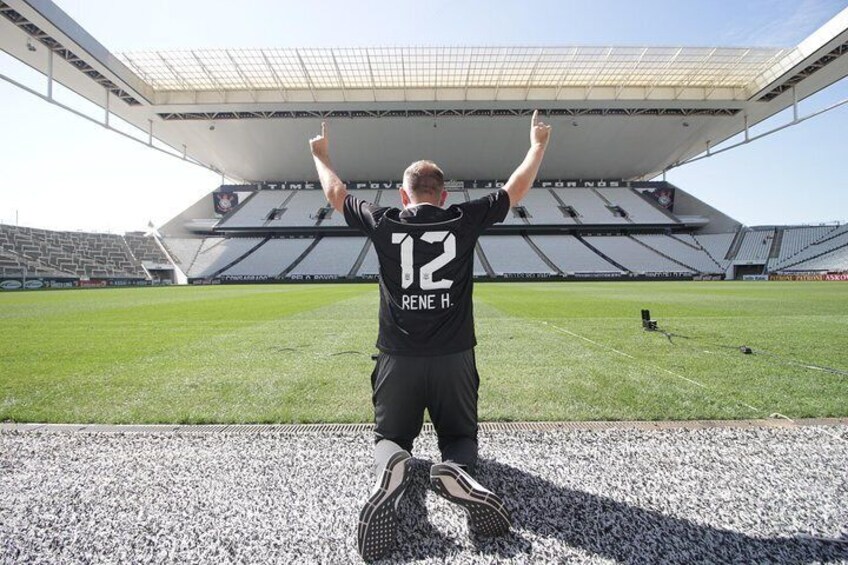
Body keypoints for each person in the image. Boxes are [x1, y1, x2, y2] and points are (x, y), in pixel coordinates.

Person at [309, 111, 552, 561]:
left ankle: (395, 468)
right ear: (443, 195)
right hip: (454, 356)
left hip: (398, 356)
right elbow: (515, 189)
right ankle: (456, 471)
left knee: (390, 437)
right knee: (459, 435)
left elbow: (335, 193)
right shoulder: (464, 218)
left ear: (404, 195)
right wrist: (537, 145)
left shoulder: (384, 220)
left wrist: (321, 156)